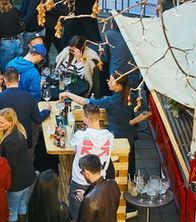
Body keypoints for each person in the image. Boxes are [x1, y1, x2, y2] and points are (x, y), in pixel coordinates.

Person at [61, 73, 151, 209]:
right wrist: (131, 122)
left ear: (118, 85)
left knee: (114, 169)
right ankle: (131, 204)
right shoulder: (132, 96)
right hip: (129, 136)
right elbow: (147, 112)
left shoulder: (111, 101)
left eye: (112, 81)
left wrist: (68, 94)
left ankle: (122, 204)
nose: (108, 82)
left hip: (117, 137)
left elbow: (86, 102)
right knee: (130, 168)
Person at [0, 107, 37, 222]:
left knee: (12, 212)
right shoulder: (19, 131)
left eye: (1, 122)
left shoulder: (9, 141)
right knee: (22, 207)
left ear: (10, 122)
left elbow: (10, 166)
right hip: (27, 177)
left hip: (17, 182)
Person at [68, 104, 115, 217]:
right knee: (95, 217)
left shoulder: (80, 135)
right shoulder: (110, 136)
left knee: (76, 215)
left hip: (80, 181)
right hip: (99, 182)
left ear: (85, 119)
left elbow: (74, 148)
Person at [0, 67, 49, 154]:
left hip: (4, 140)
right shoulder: (29, 97)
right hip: (24, 141)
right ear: (19, 78)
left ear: (4, 80)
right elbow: (38, 119)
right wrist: (47, 110)